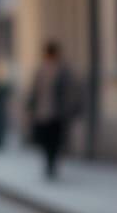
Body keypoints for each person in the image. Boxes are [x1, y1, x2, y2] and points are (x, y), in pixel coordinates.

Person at [26, 39, 80, 179]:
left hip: (57, 113)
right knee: (45, 140)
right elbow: (34, 90)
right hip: (43, 112)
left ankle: (52, 164)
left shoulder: (63, 70)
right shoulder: (40, 69)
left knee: (56, 141)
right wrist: (31, 105)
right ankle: (49, 163)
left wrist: (70, 108)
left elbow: (70, 90)